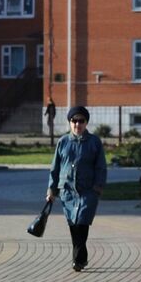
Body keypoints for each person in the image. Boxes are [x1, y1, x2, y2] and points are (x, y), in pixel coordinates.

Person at [47, 105, 107, 271]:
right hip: (67, 191)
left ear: (86, 123)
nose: (77, 124)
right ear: (70, 122)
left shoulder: (94, 142)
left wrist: (98, 187)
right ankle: (81, 255)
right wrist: (51, 191)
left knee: (82, 221)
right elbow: (55, 168)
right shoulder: (63, 142)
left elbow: (101, 167)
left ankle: (78, 259)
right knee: (73, 224)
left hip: (88, 190)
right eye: (74, 121)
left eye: (81, 121)